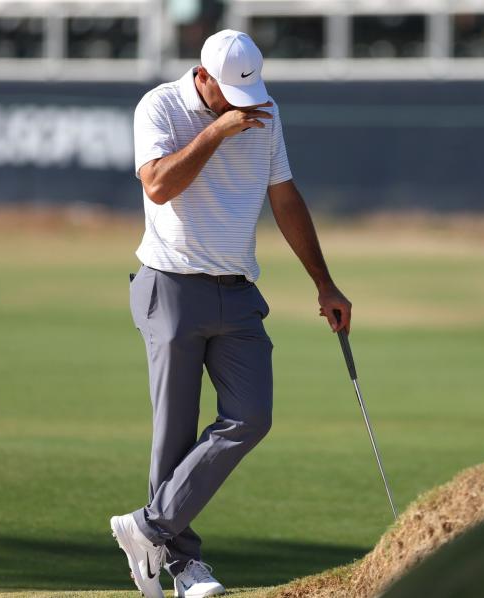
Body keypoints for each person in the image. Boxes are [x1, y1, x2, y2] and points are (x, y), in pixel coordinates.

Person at [110, 29, 352, 598]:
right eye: (229, 98)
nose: (244, 108)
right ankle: (185, 568)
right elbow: (160, 186)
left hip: (238, 289)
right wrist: (217, 132)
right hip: (170, 285)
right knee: (174, 435)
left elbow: (284, 196)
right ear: (204, 76)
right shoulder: (161, 106)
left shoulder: (263, 111)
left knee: (251, 415)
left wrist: (325, 283)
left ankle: (147, 529)